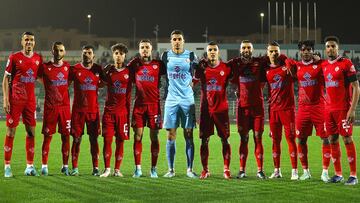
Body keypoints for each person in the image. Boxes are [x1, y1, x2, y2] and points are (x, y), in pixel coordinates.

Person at [285, 40, 331, 181]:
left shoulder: (320, 65)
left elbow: (330, 65)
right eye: (304, 49)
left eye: (309, 49)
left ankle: (325, 172)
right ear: (300, 52)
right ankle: (306, 171)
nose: (306, 52)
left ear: (313, 51)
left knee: (326, 139)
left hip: (319, 107)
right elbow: (285, 60)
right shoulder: (297, 66)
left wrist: (320, 59)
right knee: (301, 140)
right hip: (303, 109)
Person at [3, 32, 43, 177]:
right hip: (15, 100)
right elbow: (5, 80)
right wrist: (6, 100)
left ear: (34, 43)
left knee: (31, 132)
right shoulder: (14, 57)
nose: (29, 42)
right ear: (22, 42)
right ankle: (7, 166)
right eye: (26, 40)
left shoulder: (38, 58)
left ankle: (30, 166)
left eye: (31, 40)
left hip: (30, 101)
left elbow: (40, 77)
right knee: (10, 132)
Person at [321, 36, 359, 185]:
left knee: (347, 139)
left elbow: (356, 87)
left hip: (343, 109)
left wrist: (352, 109)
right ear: (325, 49)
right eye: (328, 46)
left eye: (333, 46)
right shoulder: (323, 65)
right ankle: (338, 174)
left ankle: (354, 175)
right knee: (332, 139)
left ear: (338, 48)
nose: (330, 49)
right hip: (328, 110)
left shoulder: (346, 63)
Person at [227, 40, 266, 179]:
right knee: (243, 138)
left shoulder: (260, 62)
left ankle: (260, 170)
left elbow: (276, 59)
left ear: (252, 49)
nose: (246, 49)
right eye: (244, 47)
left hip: (257, 108)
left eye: (248, 47)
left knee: (258, 138)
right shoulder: (235, 63)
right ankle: (242, 170)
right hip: (242, 108)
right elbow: (221, 69)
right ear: (240, 49)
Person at [127, 39, 166, 178]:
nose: (144, 50)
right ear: (139, 49)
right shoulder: (134, 64)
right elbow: (123, 73)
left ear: (151, 49)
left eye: (147, 47)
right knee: (138, 137)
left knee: (154, 137)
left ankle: (153, 169)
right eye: (142, 47)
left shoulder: (158, 64)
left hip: (154, 106)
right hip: (139, 106)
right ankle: (138, 169)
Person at [161, 30, 197, 178]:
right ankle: (171, 170)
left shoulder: (191, 55)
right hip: (171, 100)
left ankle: (189, 169)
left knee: (189, 134)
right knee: (171, 135)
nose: (177, 41)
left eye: (179, 39)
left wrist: (191, 84)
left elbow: (198, 75)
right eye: (174, 39)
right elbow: (161, 75)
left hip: (188, 100)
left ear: (183, 41)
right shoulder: (165, 56)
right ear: (171, 41)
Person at [194, 42, 232, 179]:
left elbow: (236, 81)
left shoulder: (226, 68)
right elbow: (193, 82)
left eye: (214, 50)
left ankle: (226, 169)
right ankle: (205, 169)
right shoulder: (202, 68)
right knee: (204, 140)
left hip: (221, 110)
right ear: (206, 52)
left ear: (218, 52)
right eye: (209, 50)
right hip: (206, 110)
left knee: (225, 140)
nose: (212, 52)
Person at [69, 45, 105, 176]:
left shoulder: (98, 69)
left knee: (94, 140)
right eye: (84, 53)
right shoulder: (75, 69)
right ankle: (75, 168)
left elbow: (105, 82)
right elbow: (64, 83)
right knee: (76, 139)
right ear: (81, 55)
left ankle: (95, 168)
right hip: (78, 111)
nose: (86, 55)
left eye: (89, 53)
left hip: (93, 111)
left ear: (93, 56)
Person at [265, 41, 298, 180]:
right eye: (271, 51)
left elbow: (295, 70)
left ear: (280, 52)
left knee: (290, 139)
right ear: (267, 53)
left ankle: (294, 171)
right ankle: (277, 170)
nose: (274, 53)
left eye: (276, 51)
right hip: (273, 110)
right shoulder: (266, 70)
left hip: (287, 110)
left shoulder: (287, 65)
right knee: (275, 141)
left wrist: (286, 59)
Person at [37, 42, 71, 176]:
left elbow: (72, 81)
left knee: (66, 137)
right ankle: (44, 166)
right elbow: (37, 77)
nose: (58, 52)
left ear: (65, 52)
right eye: (56, 50)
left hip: (64, 108)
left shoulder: (68, 67)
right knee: (47, 137)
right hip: (50, 107)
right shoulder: (45, 67)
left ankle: (65, 166)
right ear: (52, 51)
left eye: (61, 50)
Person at [100, 43, 132, 178]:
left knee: (120, 141)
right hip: (108, 112)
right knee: (107, 140)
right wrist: (102, 73)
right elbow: (99, 84)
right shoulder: (108, 71)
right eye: (116, 53)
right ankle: (107, 169)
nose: (118, 56)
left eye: (121, 53)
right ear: (113, 55)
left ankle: (117, 169)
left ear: (125, 56)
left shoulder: (130, 72)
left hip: (123, 113)